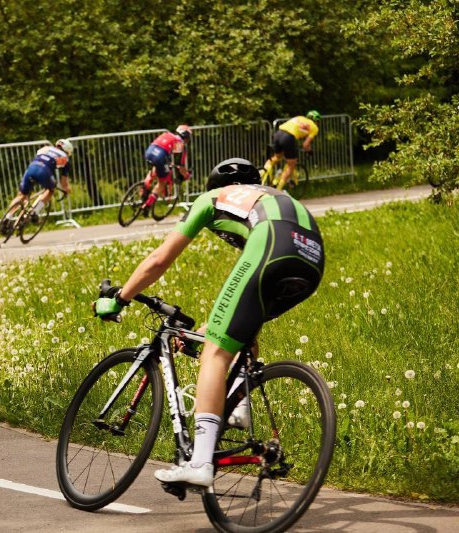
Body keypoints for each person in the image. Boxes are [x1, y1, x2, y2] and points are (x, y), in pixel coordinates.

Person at [94, 157, 325, 487]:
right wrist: (205, 331)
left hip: (273, 245)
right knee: (239, 332)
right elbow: (240, 315)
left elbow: (159, 260)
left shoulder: (211, 198)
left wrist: (120, 298)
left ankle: (200, 462)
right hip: (312, 260)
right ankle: (239, 403)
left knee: (214, 352)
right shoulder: (269, 196)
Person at [0, 139, 74, 235]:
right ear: (67, 150)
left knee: (21, 195)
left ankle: (7, 217)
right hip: (44, 171)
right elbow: (63, 182)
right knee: (50, 190)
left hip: (31, 168)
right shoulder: (65, 158)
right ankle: (34, 212)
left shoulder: (45, 148)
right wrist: (66, 189)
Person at [263, 110, 321, 190]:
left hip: (278, 133)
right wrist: (310, 151)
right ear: (316, 121)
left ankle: (262, 175)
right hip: (288, 137)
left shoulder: (300, 117)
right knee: (291, 165)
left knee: (277, 158)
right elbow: (305, 144)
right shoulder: (314, 127)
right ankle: (278, 190)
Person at [142, 125, 192, 210]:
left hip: (149, 152)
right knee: (162, 182)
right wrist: (186, 175)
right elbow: (180, 164)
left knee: (155, 168)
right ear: (186, 137)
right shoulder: (179, 142)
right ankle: (147, 205)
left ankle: (145, 188)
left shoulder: (167, 134)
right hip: (160, 157)